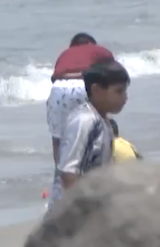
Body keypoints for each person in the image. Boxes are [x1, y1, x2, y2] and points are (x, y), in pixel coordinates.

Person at [46, 34, 115, 210]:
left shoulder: (64, 54)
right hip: (85, 84)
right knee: (99, 129)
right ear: (92, 44)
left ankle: (60, 185)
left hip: (59, 89)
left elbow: (54, 78)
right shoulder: (99, 51)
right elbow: (113, 75)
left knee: (60, 140)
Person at [54, 60, 129, 203]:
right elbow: (69, 172)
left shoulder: (103, 121)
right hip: (72, 210)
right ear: (96, 90)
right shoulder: (84, 120)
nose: (125, 97)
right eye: (119, 91)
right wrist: (79, 210)